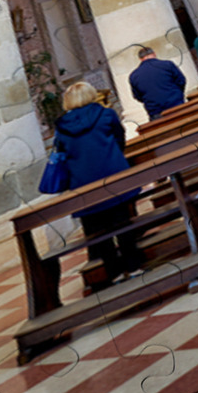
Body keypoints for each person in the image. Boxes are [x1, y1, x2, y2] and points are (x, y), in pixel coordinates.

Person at [52, 82, 143, 283]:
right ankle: (134, 266)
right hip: (112, 175)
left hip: (83, 182)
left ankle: (114, 272)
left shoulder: (62, 126)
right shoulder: (106, 114)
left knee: (99, 232)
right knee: (122, 222)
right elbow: (120, 139)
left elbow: (62, 153)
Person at [127, 47, 187, 121]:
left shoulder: (134, 76)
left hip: (156, 112)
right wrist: (177, 94)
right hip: (177, 105)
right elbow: (181, 81)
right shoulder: (167, 64)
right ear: (154, 54)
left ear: (140, 59)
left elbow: (137, 96)